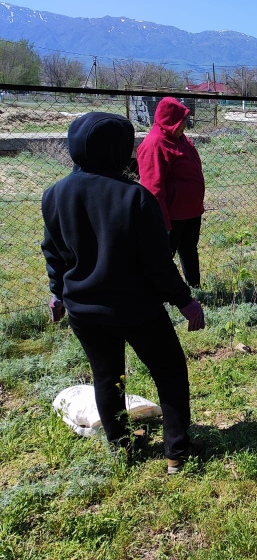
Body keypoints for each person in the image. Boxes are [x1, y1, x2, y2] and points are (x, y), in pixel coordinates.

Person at [41, 112, 206, 475]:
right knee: (169, 372)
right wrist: (186, 302)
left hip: (84, 310)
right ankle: (177, 453)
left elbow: (54, 254)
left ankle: (121, 447)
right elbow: (158, 265)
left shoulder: (54, 195)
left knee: (107, 377)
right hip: (137, 309)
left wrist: (58, 295)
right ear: (115, 150)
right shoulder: (135, 197)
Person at [137, 97, 205, 288]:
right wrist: (162, 222)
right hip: (171, 217)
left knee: (189, 250)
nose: (185, 124)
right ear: (169, 120)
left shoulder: (179, 138)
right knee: (162, 258)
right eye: (181, 120)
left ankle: (194, 289)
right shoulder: (155, 144)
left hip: (190, 213)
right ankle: (156, 295)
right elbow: (153, 189)